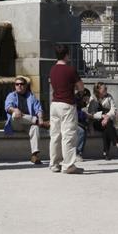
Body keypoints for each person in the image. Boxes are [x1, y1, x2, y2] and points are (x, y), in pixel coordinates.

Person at [49, 44, 85, 174]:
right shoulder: (70, 70)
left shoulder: (52, 69)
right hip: (67, 104)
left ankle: (54, 164)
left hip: (54, 105)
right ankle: (68, 165)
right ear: (66, 55)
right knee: (68, 135)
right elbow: (81, 87)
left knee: (55, 135)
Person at [4, 77, 45, 165]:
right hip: (16, 124)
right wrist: (14, 109)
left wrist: (40, 118)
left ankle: (34, 155)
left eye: (21, 84)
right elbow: (8, 107)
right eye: (17, 84)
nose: (19, 86)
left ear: (25, 86)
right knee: (15, 115)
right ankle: (36, 121)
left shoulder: (31, 96)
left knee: (35, 128)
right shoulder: (12, 95)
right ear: (15, 86)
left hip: (28, 123)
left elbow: (39, 109)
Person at [86, 83, 118, 159]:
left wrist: (107, 117)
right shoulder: (93, 99)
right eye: (104, 89)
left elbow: (114, 110)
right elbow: (91, 113)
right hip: (96, 122)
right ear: (98, 90)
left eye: (106, 88)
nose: (106, 90)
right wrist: (102, 116)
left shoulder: (109, 97)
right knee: (108, 125)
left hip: (107, 120)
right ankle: (116, 142)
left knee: (106, 127)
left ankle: (106, 153)